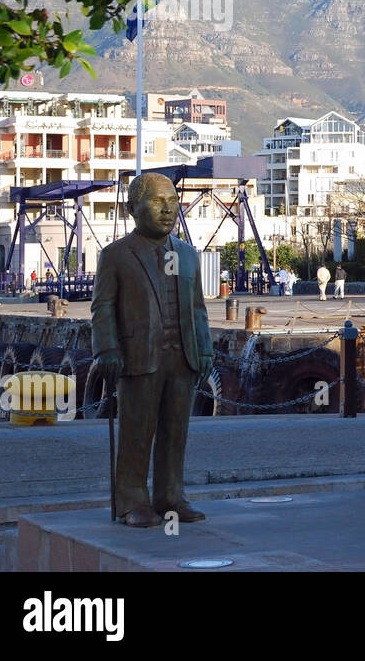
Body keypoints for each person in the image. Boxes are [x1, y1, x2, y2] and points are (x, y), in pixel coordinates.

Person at [91, 173, 213, 527]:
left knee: (176, 432)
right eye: (158, 201)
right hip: (138, 357)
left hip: (183, 356)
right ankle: (131, 501)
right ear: (133, 208)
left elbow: (198, 309)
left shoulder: (188, 255)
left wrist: (204, 349)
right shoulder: (116, 255)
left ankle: (170, 496)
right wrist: (106, 350)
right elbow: (102, 307)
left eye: (173, 201)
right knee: (136, 431)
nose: (167, 209)